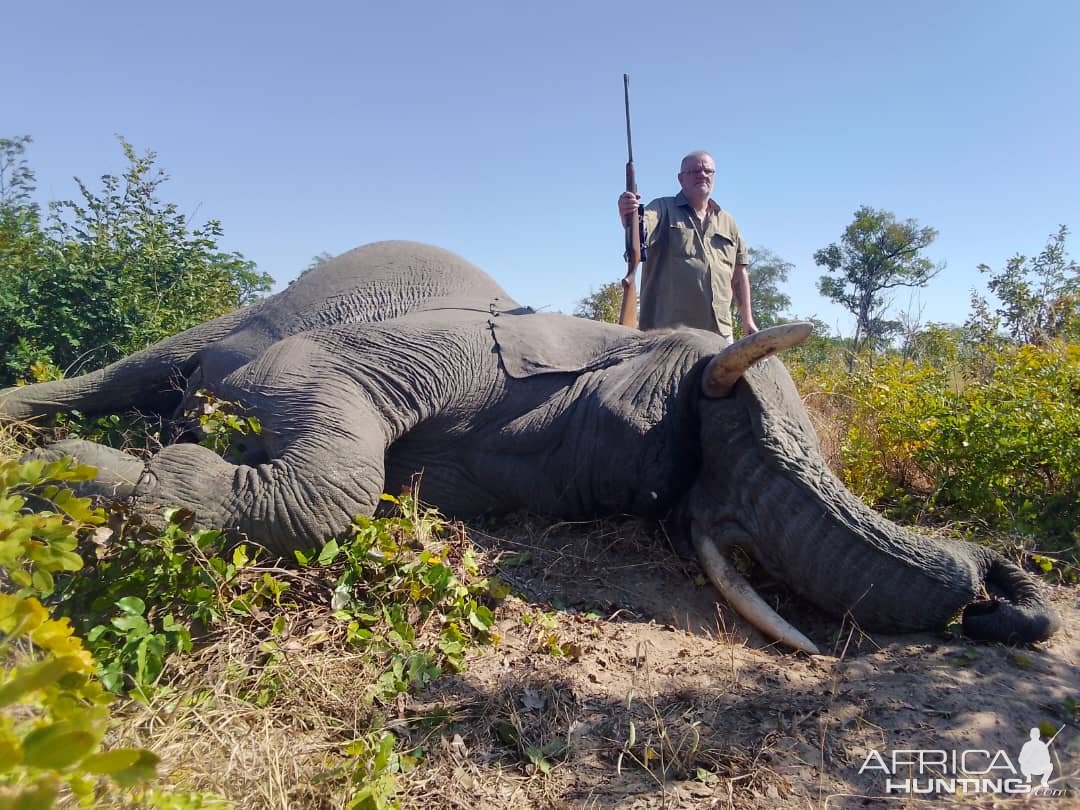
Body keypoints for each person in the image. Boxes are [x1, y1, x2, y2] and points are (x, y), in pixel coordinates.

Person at [618, 150, 756, 341]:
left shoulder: (728, 222)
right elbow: (638, 230)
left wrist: (747, 320)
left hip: (720, 335)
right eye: (694, 171)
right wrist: (628, 214)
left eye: (708, 171)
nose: (702, 174)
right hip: (669, 338)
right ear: (681, 179)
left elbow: (739, 275)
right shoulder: (662, 208)